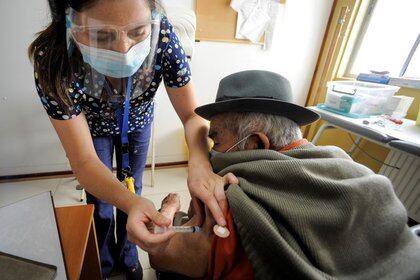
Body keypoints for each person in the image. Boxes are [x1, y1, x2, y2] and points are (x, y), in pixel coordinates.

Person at [148, 70, 420, 280]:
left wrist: (169, 207)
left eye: (216, 141)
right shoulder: (355, 168)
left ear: (255, 144)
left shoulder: (229, 205)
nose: (211, 154)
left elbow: (160, 254)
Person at [28, 0, 232, 278]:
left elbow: (192, 116)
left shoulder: (162, 35)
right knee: (100, 202)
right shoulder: (52, 58)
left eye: (137, 32)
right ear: (69, 23)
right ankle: (104, 261)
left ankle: (128, 254)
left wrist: (199, 163)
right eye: (102, 35)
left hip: (137, 123)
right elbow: (84, 160)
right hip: (93, 130)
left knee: (133, 191)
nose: (124, 50)